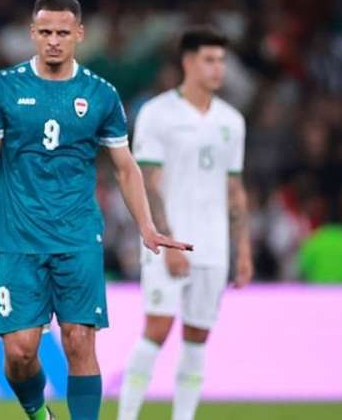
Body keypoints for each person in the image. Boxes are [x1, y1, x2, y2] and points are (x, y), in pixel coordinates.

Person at [0, 0, 189, 420]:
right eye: (45, 32)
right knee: (19, 353)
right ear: (32, 33)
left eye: (62, 32)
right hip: (19, 239)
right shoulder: (4, 87)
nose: (53, 41)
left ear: (79, 34)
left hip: (77, 236)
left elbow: (125, 167)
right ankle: (40, 414)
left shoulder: (100, 94)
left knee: (79, 339)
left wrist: (146, 226)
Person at [117, 26, 252, 420]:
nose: (218, 68)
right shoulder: (158, 114)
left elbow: (235, 189)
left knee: (197, 336)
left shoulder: (231, 121)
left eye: (221, 61)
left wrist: (243, 250)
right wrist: (168, 241)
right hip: (168, 243)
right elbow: (148, 182)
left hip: (214, 245)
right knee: (157, 329)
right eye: (210, 60)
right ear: (188, 62)